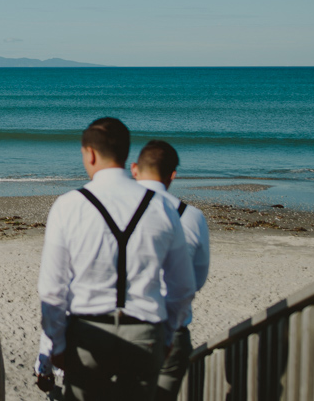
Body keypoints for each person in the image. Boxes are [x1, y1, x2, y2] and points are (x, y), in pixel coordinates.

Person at [36, 118, 196, 401]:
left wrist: (56, 344)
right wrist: (168, 336)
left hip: (87, 332)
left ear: (90, 153)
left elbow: (52, 289)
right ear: (126, 154)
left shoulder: (68, 205)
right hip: (145, 332)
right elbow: (182, 286)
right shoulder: (161, 206)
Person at [131, 140, 211, 401]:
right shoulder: (192, 216)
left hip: (123, 324)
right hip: (171, 327)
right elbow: (194, 281)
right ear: (173, 174)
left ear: (134, 169)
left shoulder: (114, 209)